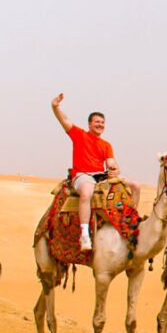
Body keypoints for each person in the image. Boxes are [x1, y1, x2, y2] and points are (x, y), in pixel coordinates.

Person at [51, 93, 131, 250]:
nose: (100, 125)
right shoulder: (79, 135)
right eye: (97, 122)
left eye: (102, 122)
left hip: (100, 177)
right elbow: (64, 120)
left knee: (134, 186)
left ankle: (130, 224)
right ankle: (84, 234)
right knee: (87, 192)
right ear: (89, 124)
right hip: (82, 175)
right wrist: (55, 106)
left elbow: (110, 162)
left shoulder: (106, 145)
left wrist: (116, 169)